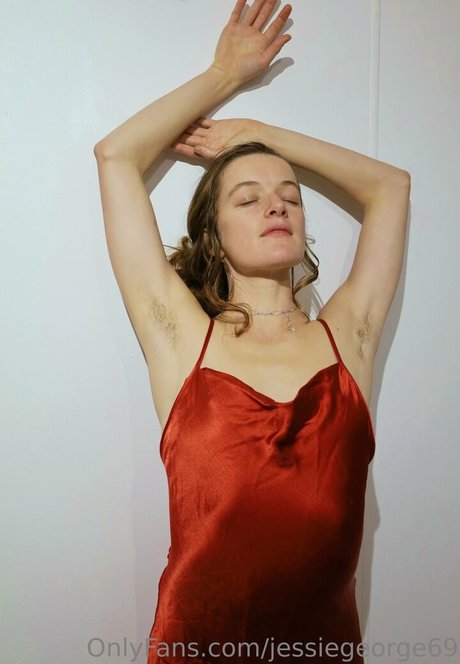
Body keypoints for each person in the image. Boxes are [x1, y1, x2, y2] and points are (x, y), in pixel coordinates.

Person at [93, 1, 410, 662]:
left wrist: (260, 135)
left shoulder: (347, 339)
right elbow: (116, 156)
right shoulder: (182, 340)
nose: (276, 205)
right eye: (248, 197)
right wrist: (223, 76)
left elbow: (391, 188)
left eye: (290, 196)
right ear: (213, 235)